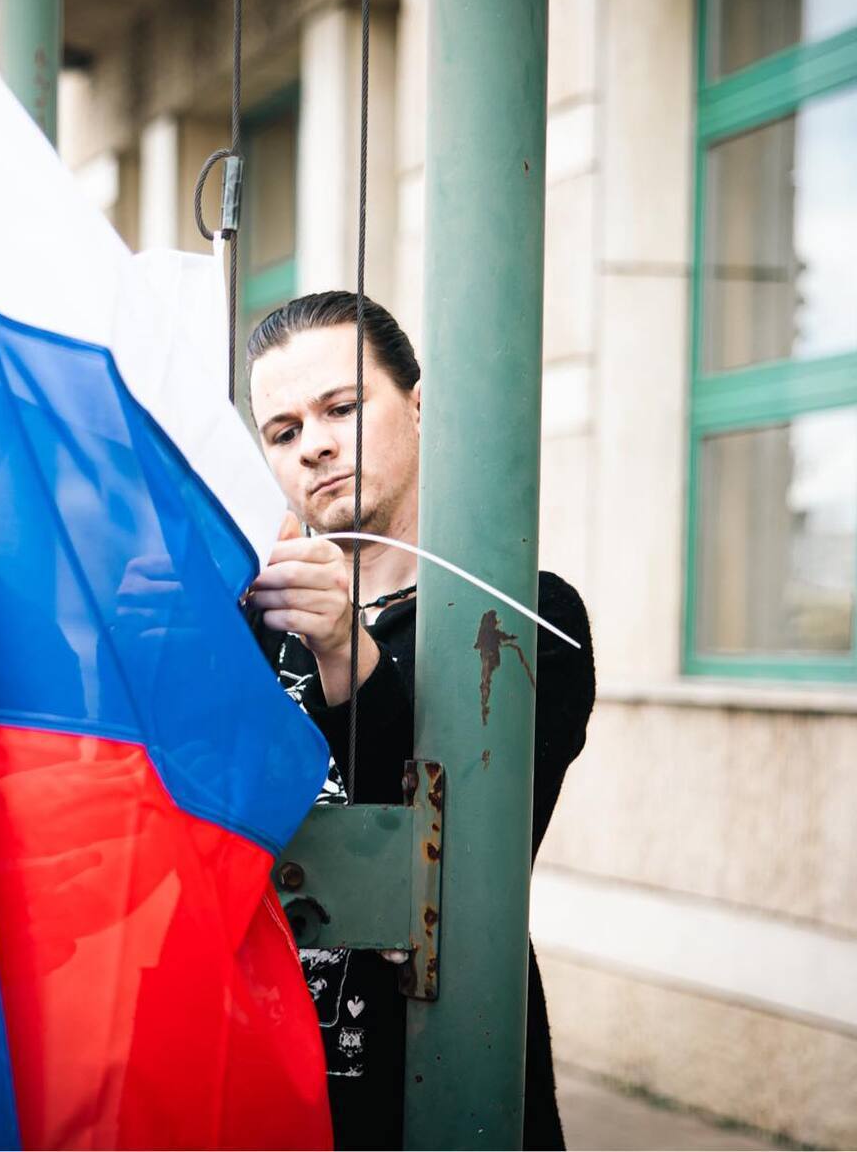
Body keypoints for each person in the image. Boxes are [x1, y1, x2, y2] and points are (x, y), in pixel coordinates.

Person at [243, 291, 595, 1151]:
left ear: (420, 405)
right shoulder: (247, 623)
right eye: (284, 432)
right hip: (265, 1073)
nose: (315, 444)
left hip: (431, 1079)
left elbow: (447, 850)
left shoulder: (516, 620)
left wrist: (343, 648)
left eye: (342, 407)